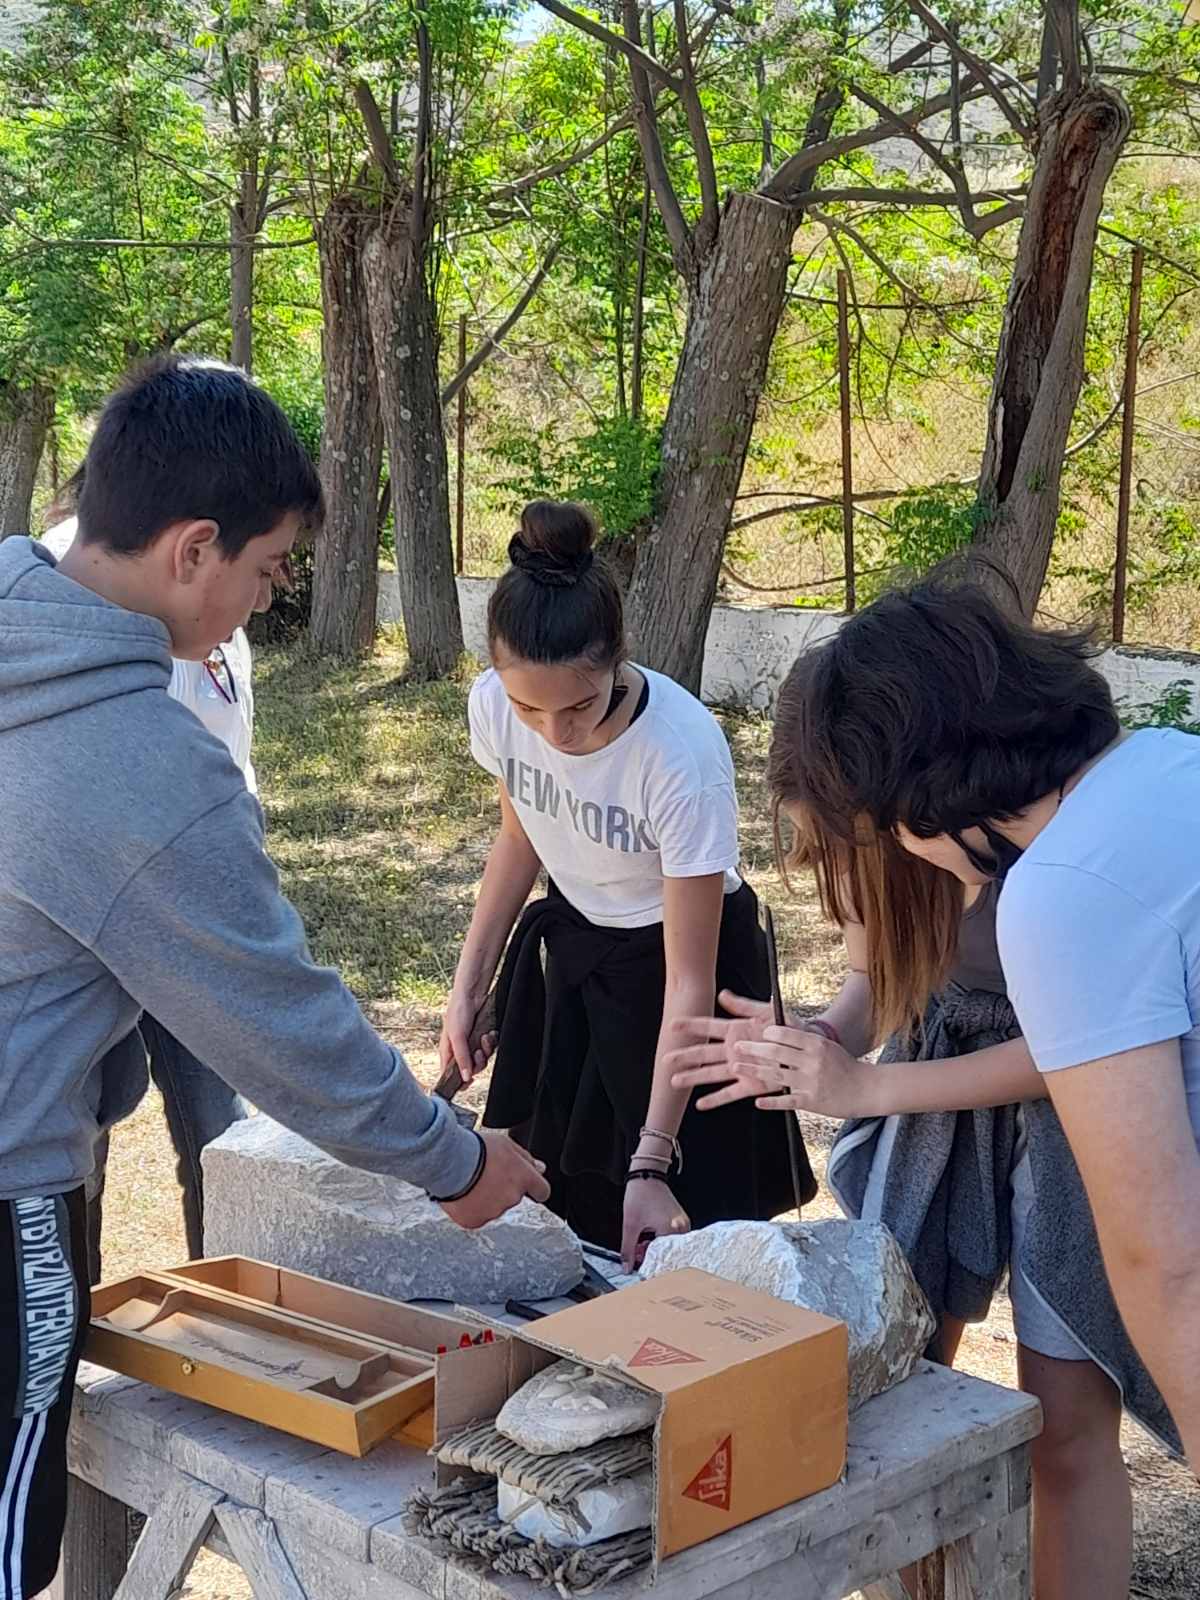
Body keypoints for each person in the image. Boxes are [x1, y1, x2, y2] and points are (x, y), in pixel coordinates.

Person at [0, 354, 548, 1600]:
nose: (266, 598)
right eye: (266, 569)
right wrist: (456, 1165)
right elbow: (281, 1022)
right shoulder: (143, 768)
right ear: (193, 549)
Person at [668, 566, 1200, 1507]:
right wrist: (827, 1042)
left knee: (1071, 1413)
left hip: (1110, 1169)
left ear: (920, 794)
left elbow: (1167, 1260)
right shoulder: (1164, 763)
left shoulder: (1060, 892)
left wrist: (864, 1089)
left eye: (884, 833)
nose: (899, 857)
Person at [440, 499, 811, 1269]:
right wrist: (469, 985)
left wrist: (653, 1160)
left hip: (680, 979)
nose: (553, 733)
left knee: (688, 1238)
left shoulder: (680, 755)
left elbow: (689, 980)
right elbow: (520, 838)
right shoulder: (495, 709)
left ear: (618, 658)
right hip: (577, 952)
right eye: (526, 707)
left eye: (577, 705)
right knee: (565, 1211)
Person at [41, 491, 254, 1278]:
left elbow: (233, 756)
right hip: (100, 918)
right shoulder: (72, 575)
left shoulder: (217, 593)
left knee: (219, 1132)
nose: (262, 592)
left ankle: (225, 1321)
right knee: (79, 1133)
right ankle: (76, 1323)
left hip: (199, 915)